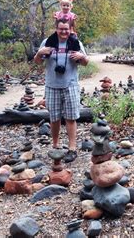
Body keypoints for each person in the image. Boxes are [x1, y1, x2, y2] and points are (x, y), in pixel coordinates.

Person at [34, 19, 89, 163]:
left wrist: (81, 57)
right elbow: (37, 61)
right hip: (52, 85)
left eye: (66, 29)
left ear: (70, 29)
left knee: (71, 117)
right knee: (54, 118)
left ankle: (72, 148)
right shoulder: (48, 41)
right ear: (56, 29)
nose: (64, 32)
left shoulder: (75, 42)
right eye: (61, 29)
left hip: (70, 84)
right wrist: (40, 53)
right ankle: (55, 145)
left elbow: (85, 62)